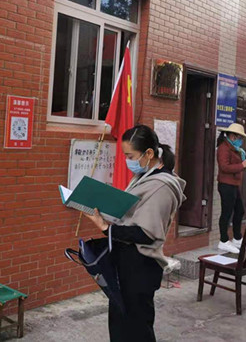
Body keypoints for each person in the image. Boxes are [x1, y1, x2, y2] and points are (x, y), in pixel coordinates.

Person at [85, 125, 186, 342]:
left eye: (130, 156)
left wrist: (105, 227)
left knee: (136, 329)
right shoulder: (144, 176)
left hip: (140, 267)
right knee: (120, 324)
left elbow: (146, 234)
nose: (127, 161)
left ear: (149, 153)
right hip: (125, 262)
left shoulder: (161, 186)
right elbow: (132, 213)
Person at [216, 122, 246, 254]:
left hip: (234, 184)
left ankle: (237, 238)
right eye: (240, 138)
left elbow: (236, 165)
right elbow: (224, 167)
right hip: (226, 184)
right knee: (227, 213)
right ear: (232, 136)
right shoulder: (224, 148)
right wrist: (243, 165)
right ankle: (223, 240)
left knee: (239, 211)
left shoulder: (236, 149)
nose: (241, 140)